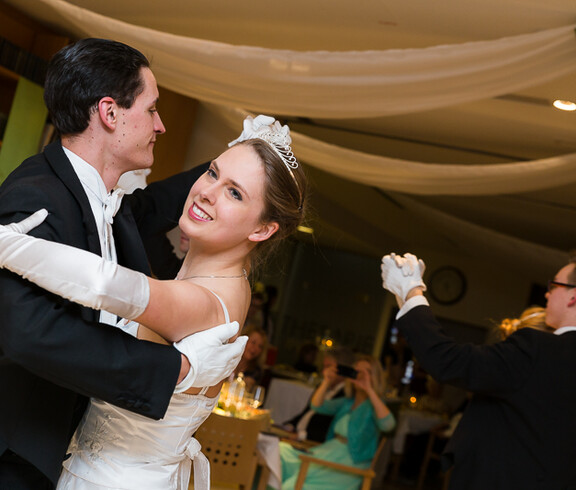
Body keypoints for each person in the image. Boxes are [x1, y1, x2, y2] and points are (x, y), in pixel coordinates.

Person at [0, 112, 307, 488]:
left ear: (262, 228)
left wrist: (7, 245)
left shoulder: (208, 300)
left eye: (235, 193)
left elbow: (103, 284)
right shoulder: (208, 279)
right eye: (212, 173)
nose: (207, 192)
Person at [0, 38, 246, 490]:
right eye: (152, 110)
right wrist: (174, 369)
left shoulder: (115, 207)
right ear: (110, 114)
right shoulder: (37, 194)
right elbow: (25, 331)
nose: (162, 125)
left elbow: (163, 202)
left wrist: (232, 164)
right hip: (14, 455)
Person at [380, 252, 576, 490]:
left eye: (554, 285)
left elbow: (450, 361)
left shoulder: (540, 349)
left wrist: (412, 291)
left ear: (573, 296)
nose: (547, 293)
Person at [279, 354, 396, 489]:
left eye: (367, 372)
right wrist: (326, 381)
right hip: (329, 453)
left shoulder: (374, 406)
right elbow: (316, 405)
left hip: (349, 463)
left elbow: (388, 425)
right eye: (358, 372)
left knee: (291, 485)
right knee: (282, 450)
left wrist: (369, 389)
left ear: (375, 377)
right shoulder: (347, 402)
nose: (361, 376)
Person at [284, 347, 355, 443]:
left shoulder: (346, 395)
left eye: (329, 367)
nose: (324, 372)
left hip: (310, 441)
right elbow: (307, 411)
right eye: (324, 367)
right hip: (296, 433)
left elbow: (327, 428)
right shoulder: (322, 387)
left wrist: (301, 435)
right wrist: (289, 426)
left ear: (342, 369)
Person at [235, 325, 269, 391]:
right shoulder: (229, 358)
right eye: (253, 342)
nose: (255, 348)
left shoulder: (256, 371)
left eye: (260, 346)